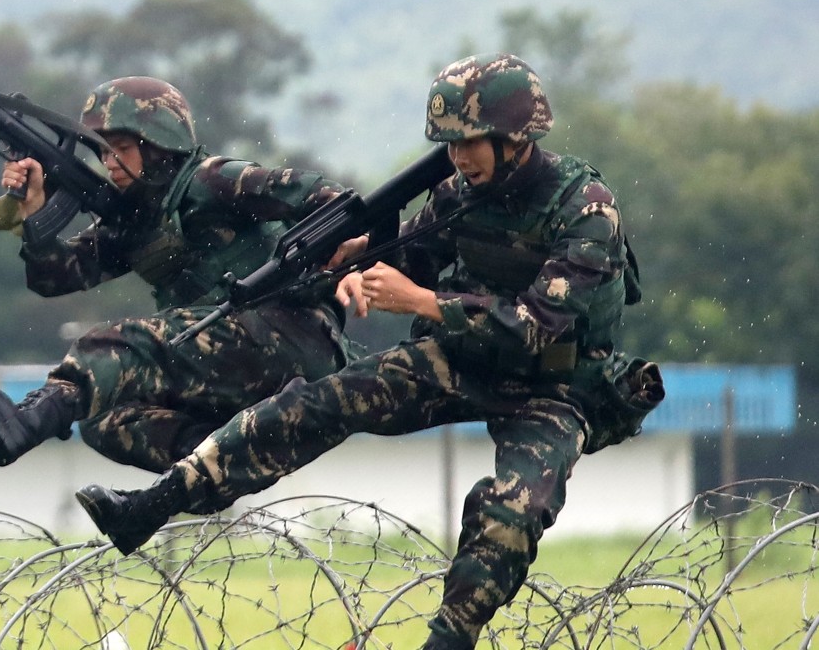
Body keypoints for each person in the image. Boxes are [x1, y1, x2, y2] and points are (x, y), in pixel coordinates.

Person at [73, 54, 664, 649]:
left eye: (471, 144)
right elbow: (411, 260)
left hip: (560, 385)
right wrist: (356, 267)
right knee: (315, 405)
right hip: (465, 361)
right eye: (449, 145)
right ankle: (155, 503)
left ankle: (449, 640)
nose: (458, 159)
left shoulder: (585, 206)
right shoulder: (459, 194)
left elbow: (538, 326)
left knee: (512, 511)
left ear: (516, 137)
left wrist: (423, 303)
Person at [0, 76, 357, 473]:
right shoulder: (136, 216)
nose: (109, 163)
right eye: (103, 152)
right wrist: (33, 213)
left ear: (160, 144)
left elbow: (327, 196)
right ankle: (222, 462)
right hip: (229, 354)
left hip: (294, 337)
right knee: (104, 417)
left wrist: (348, 252)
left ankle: (29, 420)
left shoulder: (213, 180)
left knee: (116, 345)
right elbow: (55, 279)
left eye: (121, 148)